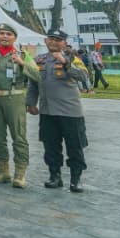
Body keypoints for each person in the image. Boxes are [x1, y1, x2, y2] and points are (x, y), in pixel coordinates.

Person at [27, 29, 92, 192]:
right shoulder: (39, 60)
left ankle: (76, 179)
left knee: (74, 146)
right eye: (51, 39)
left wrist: (65, 62)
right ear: (45, 41)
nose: (54, 42)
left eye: (58, 40)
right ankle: (54, 176)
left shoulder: (73, 58)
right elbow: (33, 83)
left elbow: (84, 77)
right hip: (48, 111)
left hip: (70, 111)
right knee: (50, 146)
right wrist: (31, 103)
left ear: (64, 43)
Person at [0, 23, 39, 188]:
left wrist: (23, 63)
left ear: (15, 37)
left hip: (14, 99)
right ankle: (3, 171)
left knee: (19, 137)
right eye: (1, 33)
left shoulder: (23, 54)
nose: (5, 36)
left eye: (9, 34)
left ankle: (20, 173)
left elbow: (38, 75)